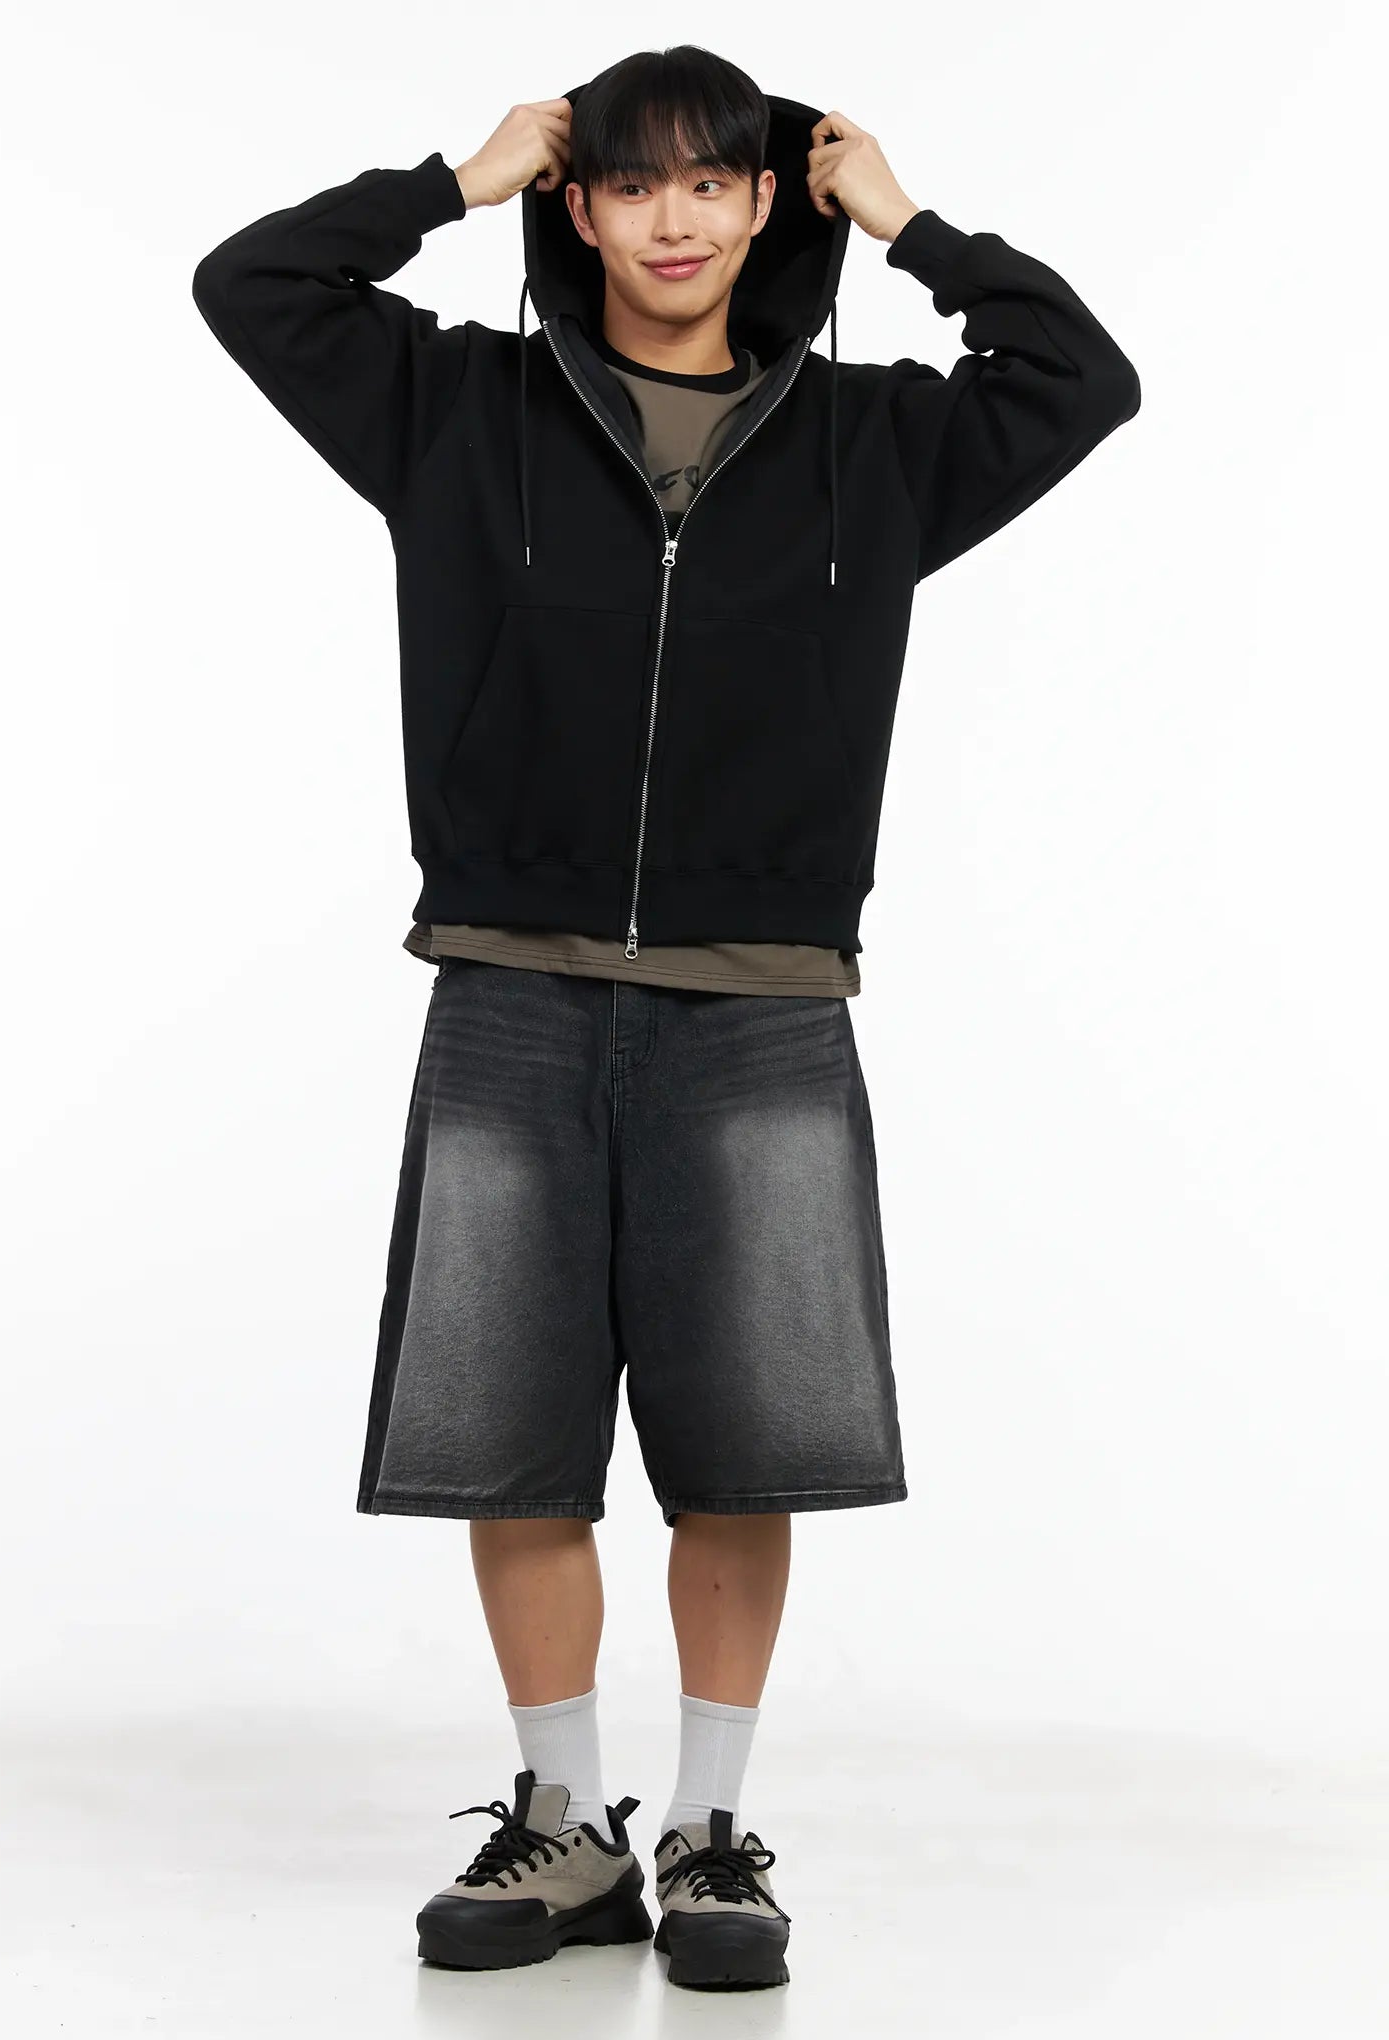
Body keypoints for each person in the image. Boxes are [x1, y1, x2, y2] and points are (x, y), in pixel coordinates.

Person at [191, 44, 1139, 1991]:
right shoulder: (458, 409)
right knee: (510, 1435)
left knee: (743, 1444)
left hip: (761, 1008)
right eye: (634, 183)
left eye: (716, 180)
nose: (678, 219)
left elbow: (1081, 379)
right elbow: (253, 286)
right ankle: (562, 1826)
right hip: (511, 989)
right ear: (583, 205)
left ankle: (710, 1836)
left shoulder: (877, 442)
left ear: (771, 203)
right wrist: (454, 181)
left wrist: (913, 224)